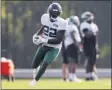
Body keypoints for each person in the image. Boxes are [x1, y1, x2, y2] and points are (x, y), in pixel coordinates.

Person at [29, 2, 67, 86]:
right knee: (34, 65)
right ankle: (36, 70)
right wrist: (37, 35)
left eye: (56, 15)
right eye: (53, 14)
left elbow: (59, 40)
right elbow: (43, 28)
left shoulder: (62, 23)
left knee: (45, 63)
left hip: (54, 47)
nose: (54, 17)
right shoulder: (44, 17)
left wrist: (44, 40)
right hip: (44, 44)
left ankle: (35, 81)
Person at [80, 11, 100, 81]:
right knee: (88, 60)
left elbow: (96, 36)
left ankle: (91, 74)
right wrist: (92, 32)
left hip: (93, 44)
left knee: (93, 61)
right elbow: (87, 34)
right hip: (87, 44)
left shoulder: (94, 25)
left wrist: (97, 47)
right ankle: (87, 75)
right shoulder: (84, 24)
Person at [62, 16, 82, 82]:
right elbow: (73, 36)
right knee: (74, 62)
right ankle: (73, 76)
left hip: (68, 45)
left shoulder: (68, 26)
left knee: (71, 61)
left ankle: (71, 76)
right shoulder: (73, 26)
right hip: (72, 45)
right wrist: (78, 46)